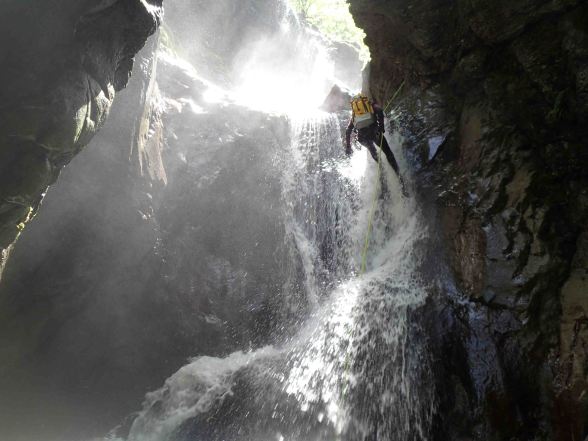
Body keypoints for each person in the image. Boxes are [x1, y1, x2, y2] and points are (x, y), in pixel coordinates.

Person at [345, 95, 407, 194]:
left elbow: (348, 131)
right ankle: (400, 180)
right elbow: (380, 110)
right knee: (388, 153)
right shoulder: (369, 105)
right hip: (375, 133)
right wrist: (381, 127)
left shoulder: (354, 114)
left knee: (373, 151)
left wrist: (348, 147)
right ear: (364, 99)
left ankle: (382, 175)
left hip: (362, 138)